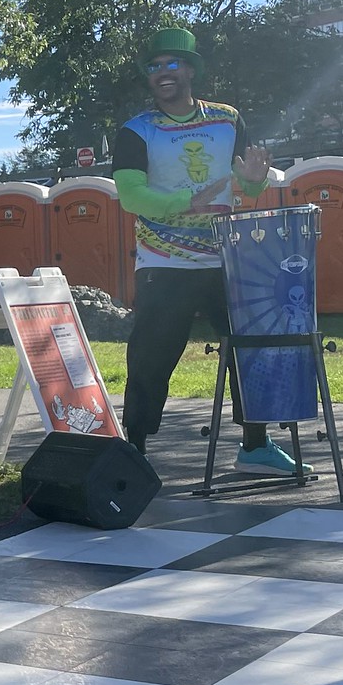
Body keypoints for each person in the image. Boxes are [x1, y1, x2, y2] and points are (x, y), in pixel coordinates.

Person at [114, 25, 295, 475]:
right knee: (151, 356)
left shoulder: (227, 119)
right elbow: (131, 196)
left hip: (227, 258)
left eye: (172, 63)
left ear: (191, 69)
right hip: (164, 263)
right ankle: (133, 450)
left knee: (250, 346)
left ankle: (255, 445)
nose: (163, 73)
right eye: (154, 67)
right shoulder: (136, 131)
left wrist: (254, 177)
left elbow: (245, 186)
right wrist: (186, 202)